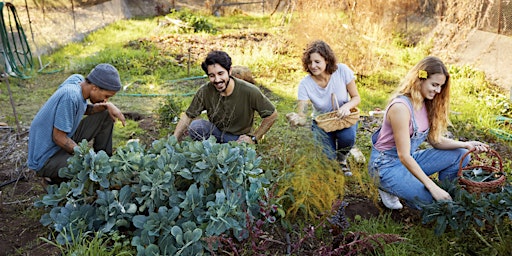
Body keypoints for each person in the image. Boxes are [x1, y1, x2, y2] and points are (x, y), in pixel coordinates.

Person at [368, 56, 489, 210]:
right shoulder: (401, 108)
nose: (438, 91)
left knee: (460, 154)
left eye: (441, 86)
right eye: (434, 85)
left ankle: (443, 190)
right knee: (433, 202)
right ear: (420, 79)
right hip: (385, 167)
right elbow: (403, 155)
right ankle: (389, 187)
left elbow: (435, 141)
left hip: (406, 162)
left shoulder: (426, 104)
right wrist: (432, 186)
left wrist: (466, 144)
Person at [28, 63, 126, 184]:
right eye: (106, 96)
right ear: (94, 87)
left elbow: (79, 108)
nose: (106, 100)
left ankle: (105, 161)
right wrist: (87, 157)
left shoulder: (78, 80)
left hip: (62, 141)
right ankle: (54, 177)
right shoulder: (70, 96)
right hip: (46, 158)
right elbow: (58, 137)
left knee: (105, 115)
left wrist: (107, 106)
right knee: (88, 169)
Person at [173, 50, 278, 144]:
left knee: (239, 152)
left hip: (238, 140)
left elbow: (272, 114)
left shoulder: (249, 90)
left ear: (229, 71)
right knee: (196, 126)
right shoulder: (205, 91)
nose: (217, 80)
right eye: (212, 76)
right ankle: (213, 152)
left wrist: (254, 138)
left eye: (220, 73)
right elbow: (188, 116)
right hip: (215, 135)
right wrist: (173, 140)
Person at [295, 40, 361, 176]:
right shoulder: (305, 84)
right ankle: (332, 160)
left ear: (327, 60)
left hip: (344, 119)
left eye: (317, 62)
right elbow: (301, 113)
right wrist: (297, 118)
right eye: (310, 62)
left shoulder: (342, 71)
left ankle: (342, 159)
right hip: (322, 124)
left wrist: (347, 107)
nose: (313, 66)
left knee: (348, 137)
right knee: (328, 162)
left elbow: (356, 97)